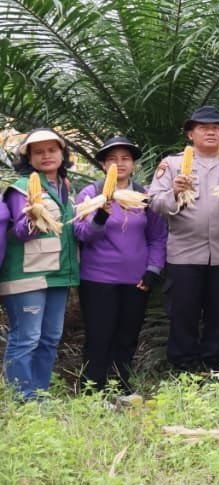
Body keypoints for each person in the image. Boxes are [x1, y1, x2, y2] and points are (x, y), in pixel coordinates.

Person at [150, 106, 219, 372]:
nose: (211, 132)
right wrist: (174, 192)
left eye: (216, 128)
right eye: (204, 128)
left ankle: (214, 362)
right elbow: (154, 203)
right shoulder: (172, 164)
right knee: (183, 311)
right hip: (184, 253)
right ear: (190, 134)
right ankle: (184, 365)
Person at [74, 136, 166, 391]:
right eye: (112, 159)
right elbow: (81, 234)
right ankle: (92, 388)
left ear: (133, 164)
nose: (120, 163)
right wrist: (101, 215)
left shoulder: (144, 196)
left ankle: (120, 386)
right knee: (99, 336)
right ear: (104, 165)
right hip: (98, 279)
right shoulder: (90, 194)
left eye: (125, 158)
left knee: (127, 337)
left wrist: (153, 270)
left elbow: (158, 237)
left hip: (136, 280)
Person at [2, 129, 78, 398]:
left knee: (50, 338)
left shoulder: (65, 187)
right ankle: (22, 399)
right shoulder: (20, 188)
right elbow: (18, 232)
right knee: (27, 338)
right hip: (27, 275)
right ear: (29, 158)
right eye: (38, 152)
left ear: (62, 154)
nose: (46, 156)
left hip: (59, 274)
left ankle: (40, 395)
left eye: (52, 150)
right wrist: (32, 219)